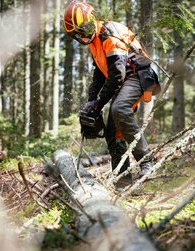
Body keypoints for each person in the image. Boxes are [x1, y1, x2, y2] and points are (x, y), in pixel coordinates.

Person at [63, 1, 160, 179]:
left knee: (119, 109)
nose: (83, 36)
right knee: (112, 131)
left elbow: (117, 74)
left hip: (139, 75)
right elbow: (100, 72)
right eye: (79, 34)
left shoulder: (109, 34)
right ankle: (122, 178)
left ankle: (147, 163)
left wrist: (98, 105)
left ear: (92, 20)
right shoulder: (94, 41)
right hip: (125, 79)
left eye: (84, 30)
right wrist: (92, 101)